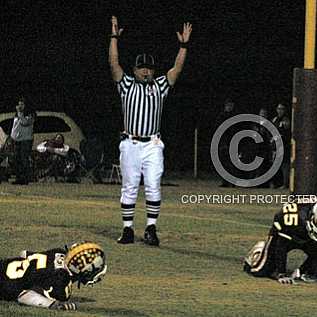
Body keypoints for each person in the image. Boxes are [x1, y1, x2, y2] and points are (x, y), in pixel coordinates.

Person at [108, 16, 192, 246]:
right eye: (141, 68)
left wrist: (183, 46)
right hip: (131, 143)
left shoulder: (160, 86)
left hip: (153, 144)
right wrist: (114, 38)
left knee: (154, 185)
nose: (146, 71)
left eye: (149, 68)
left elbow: (177, 68)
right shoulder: (127, 85)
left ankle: (150, 228)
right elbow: (114, 64)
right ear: (134, 70)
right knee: (130, 186)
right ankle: (127, 229)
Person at [243, 197, 317, 283]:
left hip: (308, 236)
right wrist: (281, 273)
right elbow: (281, 246)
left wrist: (301, 270)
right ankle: (258, 251)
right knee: (260, 270)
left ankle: (306, 271)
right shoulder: (292, 218)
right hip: (286, 234)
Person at [0, 241, 106, 311]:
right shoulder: (61, 284)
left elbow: (23, 253)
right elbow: (24, 297)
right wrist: (51, 304)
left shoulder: (58, 252)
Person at [10, 96, 36, 185]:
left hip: (26, 140)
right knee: (16, 159)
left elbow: (25, 123)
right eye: (19, 104)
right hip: (16, 140)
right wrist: (12, 137)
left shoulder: (31, 114)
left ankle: (25, 178)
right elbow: (15, 127)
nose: (20, 106)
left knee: (24, 159)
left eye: (22, 104)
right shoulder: (17, 114)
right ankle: (19, 178)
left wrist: (20, 113)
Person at [271, 103, 291, 189]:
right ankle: (274, 183)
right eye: (279, 108)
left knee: (284, 165)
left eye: (282, 109)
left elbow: (286, 131)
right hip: (275, 145)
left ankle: (285, 183)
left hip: (284, 145)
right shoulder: (275, 119)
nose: (280, 110)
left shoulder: (286, 120)